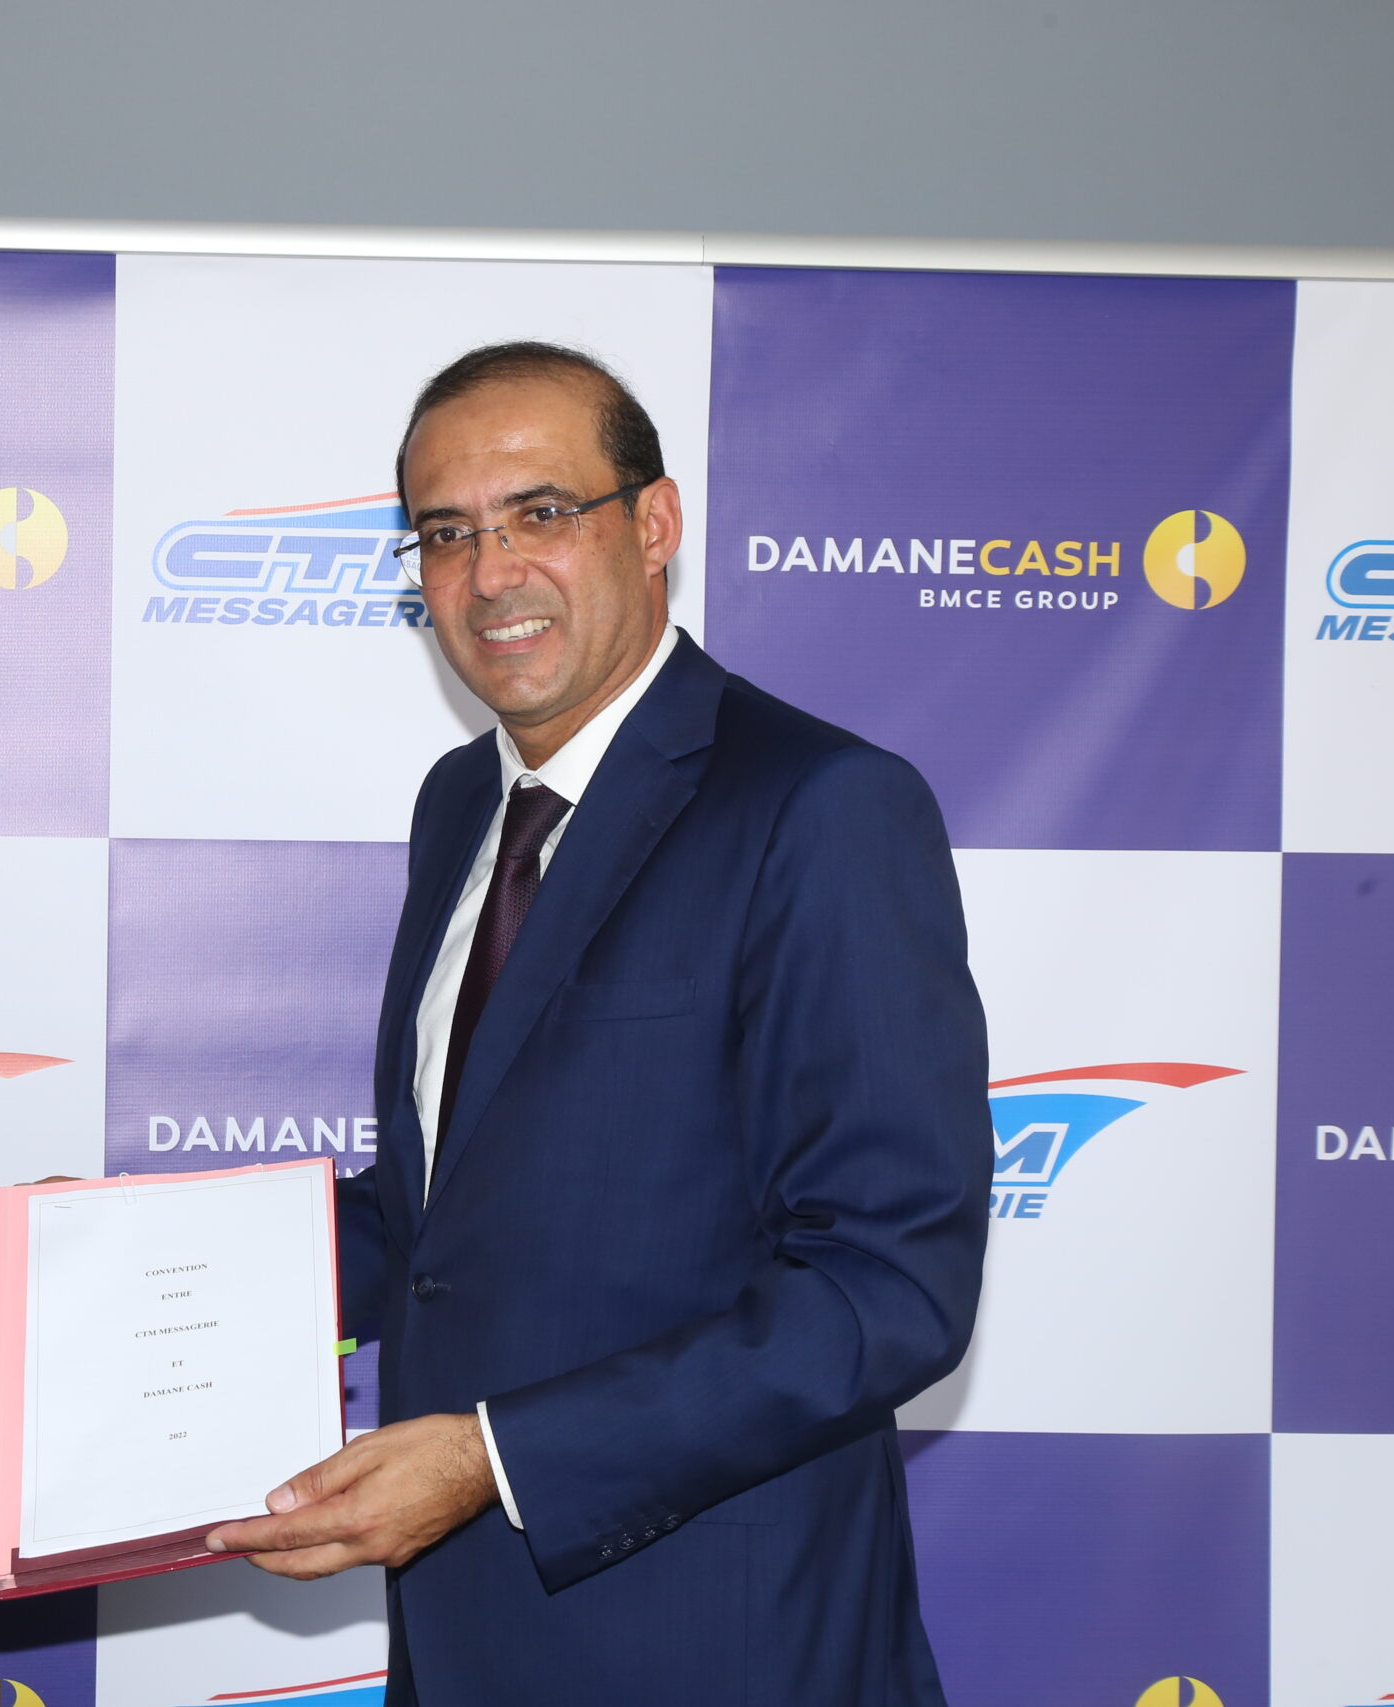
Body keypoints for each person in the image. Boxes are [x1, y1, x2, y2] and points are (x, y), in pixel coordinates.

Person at [206, 344, 992, 1703]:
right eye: (445, 533)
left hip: (721, 1649)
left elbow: (887, 1286)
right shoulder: (461, 803)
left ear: (655, 522)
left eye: (541, 512)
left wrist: (493, 1457)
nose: (490, 572)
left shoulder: (819, 805)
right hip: (460, 1642)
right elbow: (442, 1218)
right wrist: (124, 1283)